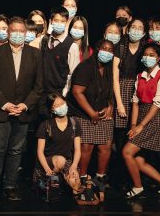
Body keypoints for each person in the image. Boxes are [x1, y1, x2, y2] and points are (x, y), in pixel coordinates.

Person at [0, 17, 44, 205]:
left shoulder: (35, 54)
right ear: (8, 33)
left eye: (22, 31)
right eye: (14, 31)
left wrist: (25, 105)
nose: (18, 34)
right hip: (1, 111)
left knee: (16, 151)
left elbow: (38, 85)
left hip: (23, 112)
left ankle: (10, 186)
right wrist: (4, 104)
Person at [121, 44, 160, 198]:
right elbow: (135, 101)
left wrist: (140, 126)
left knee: (127, 152)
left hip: (155, 117)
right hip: (141, 115)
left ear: (159, 58)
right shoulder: (140, 76)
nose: (148, 57)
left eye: (152, 54)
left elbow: (157, 104)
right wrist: (133, 124)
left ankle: (138, 187)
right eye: (145, 54)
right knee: (138, 159)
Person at [70, 38, 115, 183]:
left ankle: (100, 178)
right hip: (85, 114)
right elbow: (77, 92)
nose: (107, 52)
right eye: (104, 48)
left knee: (105, 147)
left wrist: (110, 107)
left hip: (102, 113)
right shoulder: (86, 67)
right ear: (97, 50)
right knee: (87, 146)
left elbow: (109, 91)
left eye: (110, 50)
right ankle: (82, 178)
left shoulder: (108, 68)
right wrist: (91, 114)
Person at [113, 19, 145, 158]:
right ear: (128, 29)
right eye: (133, 27)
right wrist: (119, 104)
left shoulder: (145, 48)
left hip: (139, 91)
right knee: (120, 135)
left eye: (140, 28)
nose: (136, 30)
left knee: (135, 132)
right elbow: (115, 76)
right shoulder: (120, 46)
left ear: (144, 33)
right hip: (121, 91)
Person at [35, 94, 82, 190]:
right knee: (60, 160)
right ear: (52, 110)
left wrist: (73, 166)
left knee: (75, 181)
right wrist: (47, 168)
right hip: (48, 162)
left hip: (67, 162)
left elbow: (77, 149)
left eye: (62, 103)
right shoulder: (45, 125)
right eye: (56, 105)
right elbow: (40, 151)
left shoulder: (74, 123)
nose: (61, 107)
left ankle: (63, 182)